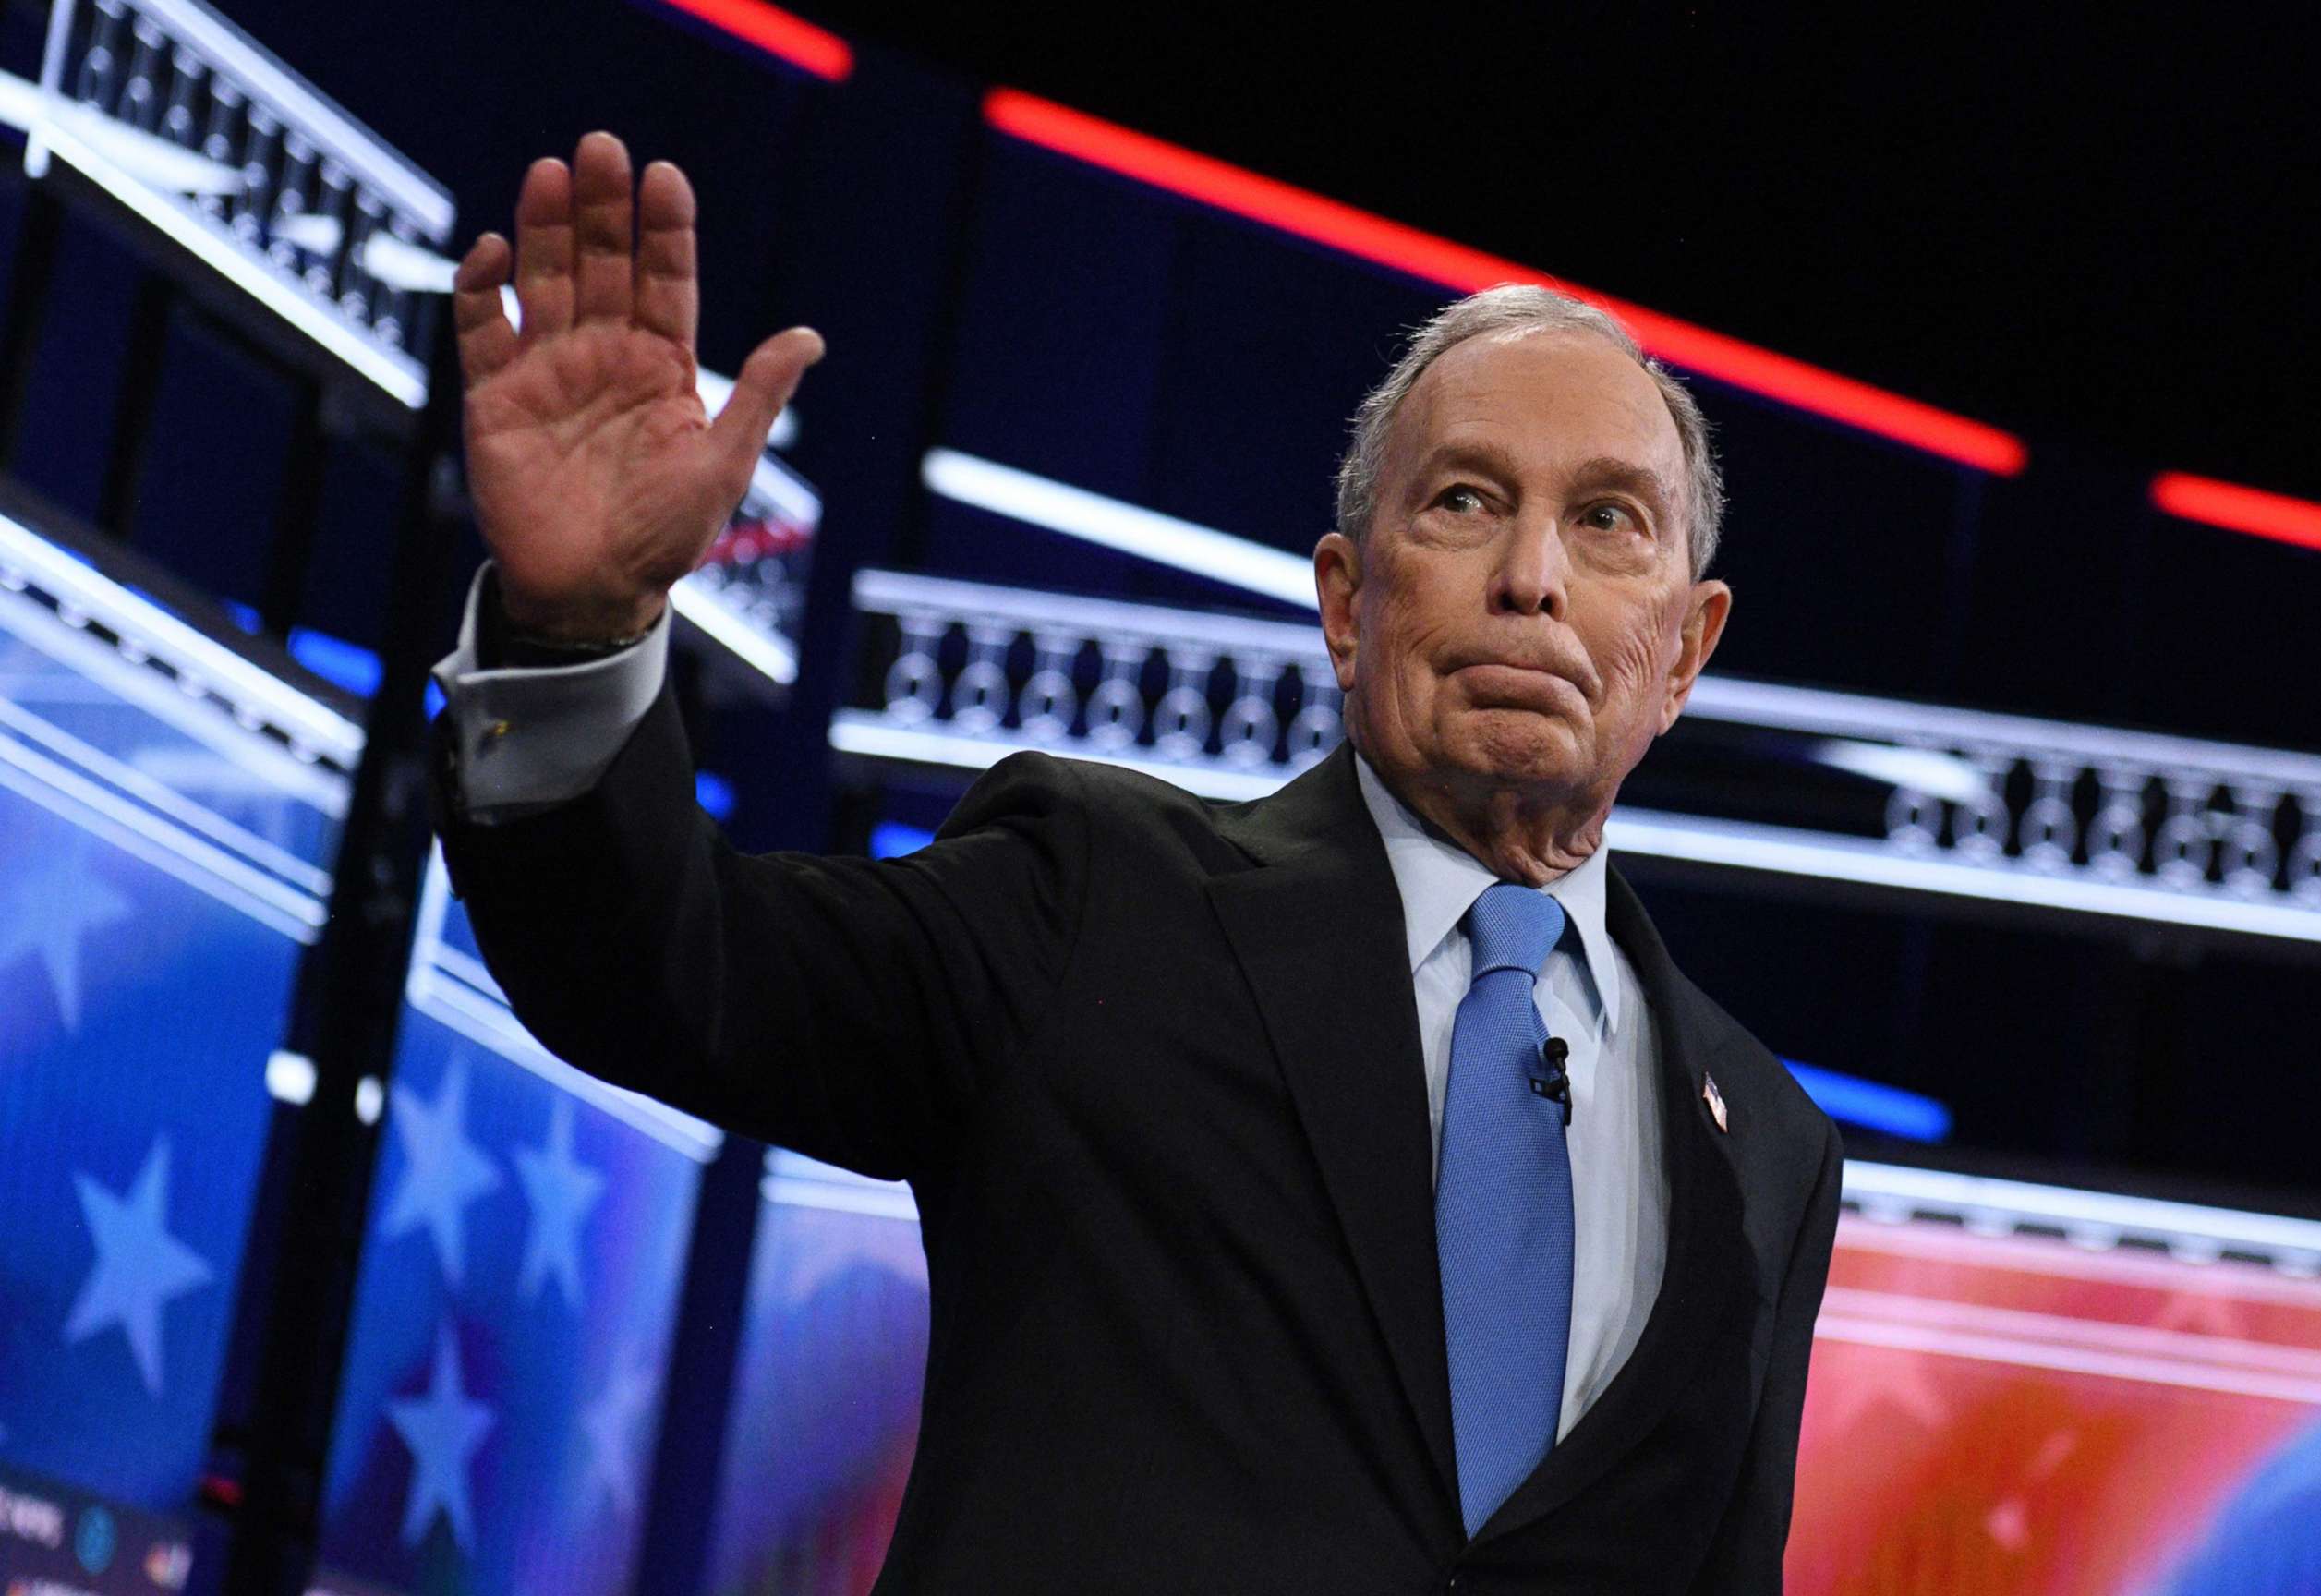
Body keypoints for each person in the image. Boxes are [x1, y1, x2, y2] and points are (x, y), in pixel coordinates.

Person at [432, 131, 1841, 1594]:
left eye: (1608, 521)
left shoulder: (1771, 1157)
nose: (1532, 577)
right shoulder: (1098, 898)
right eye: (1466, 502)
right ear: (1348, 605)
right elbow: (679, 969)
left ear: (1685, 650)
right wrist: (582, 637)